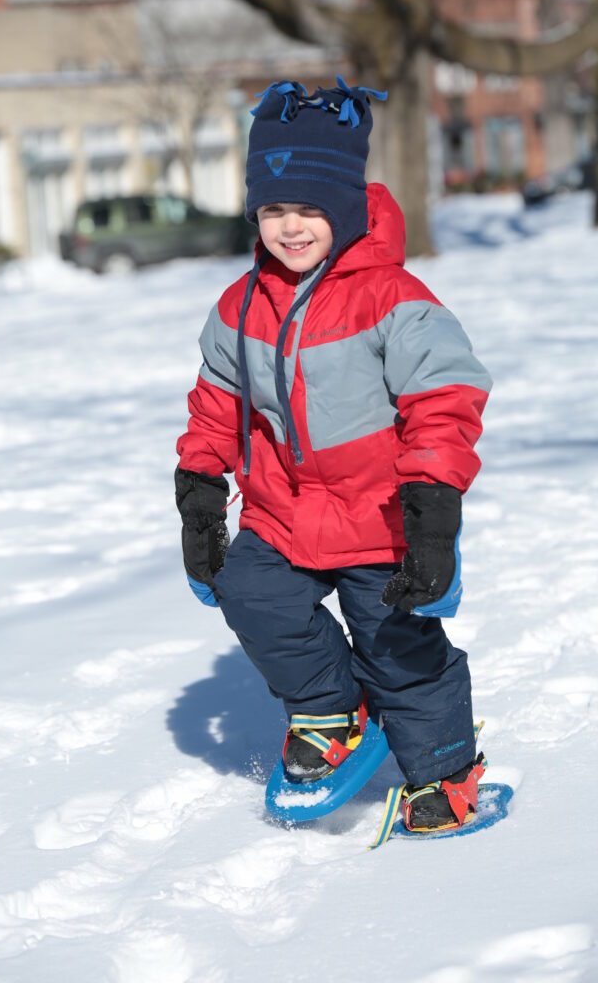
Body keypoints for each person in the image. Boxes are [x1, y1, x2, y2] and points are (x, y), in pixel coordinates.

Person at [175, 77, 492, 834]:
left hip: (381, 515)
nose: (290, 227)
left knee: (395, 644)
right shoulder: (239, 305)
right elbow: (217, 398)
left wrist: (432, 505)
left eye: (309, 209)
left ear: (345, 207)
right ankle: (328, 712)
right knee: (247, 593)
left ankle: (442, 773)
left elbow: (444, 399)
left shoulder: (392, 297)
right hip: (283, 512)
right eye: (273, 209)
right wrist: (197, 483)